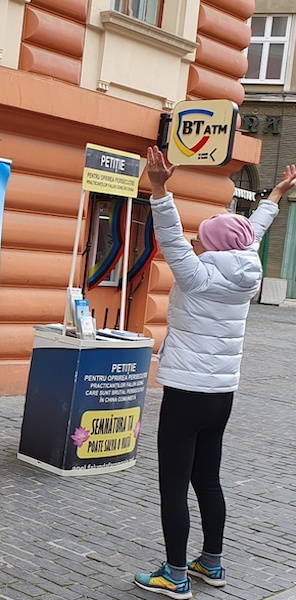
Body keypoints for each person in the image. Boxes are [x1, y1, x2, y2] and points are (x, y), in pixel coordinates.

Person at [133, 147, 296, 598]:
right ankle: (211, 561)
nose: (197, 242)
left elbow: (168, 233)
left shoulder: (198, 275)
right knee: (207, 478)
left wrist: (160, 187)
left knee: (173, 486)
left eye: (203, 237)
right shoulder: (247, 269)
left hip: (186, 393)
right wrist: (275, 196)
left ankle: (175, 574)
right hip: (222, 395)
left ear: (216, 244)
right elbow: (250, 231)